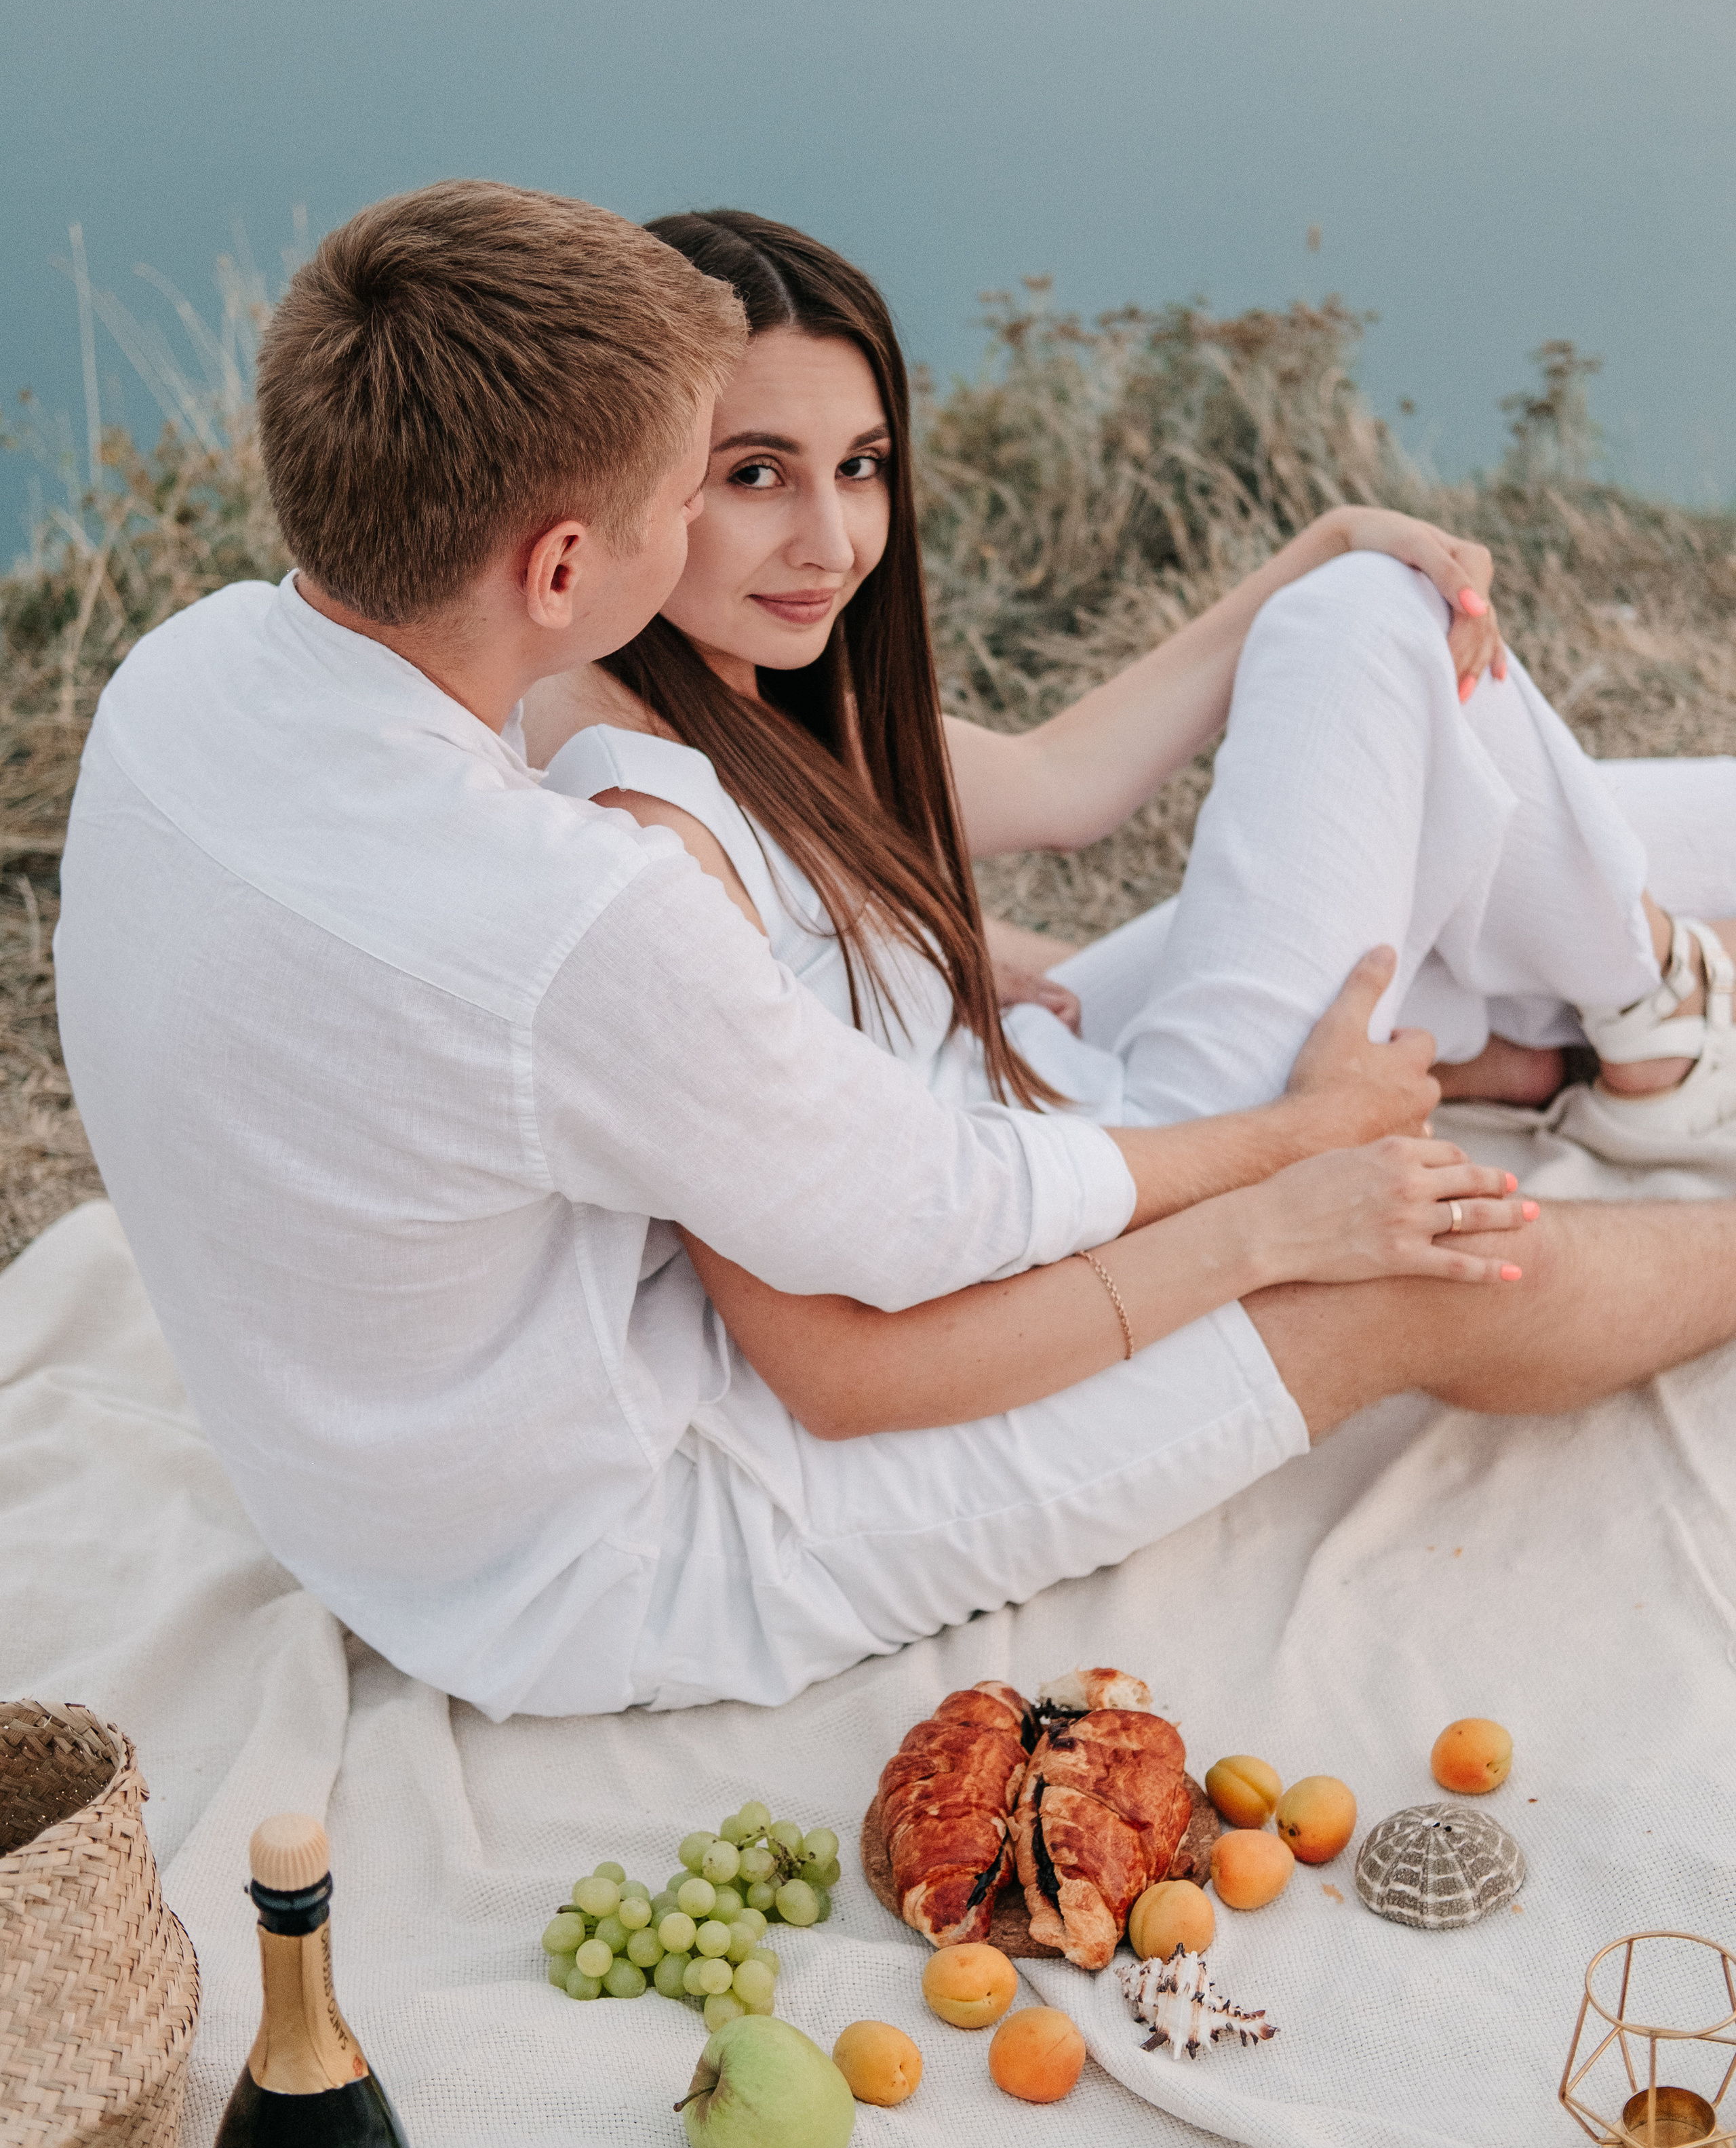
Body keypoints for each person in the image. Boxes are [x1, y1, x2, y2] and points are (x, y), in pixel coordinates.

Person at [54, 180, 1736, 1723]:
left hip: (428, 1471)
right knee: (1390, 1274)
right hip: (642, 1549)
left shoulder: (191, 678)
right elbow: (883, 1303)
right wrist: (1291, 1176)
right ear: (568, 563)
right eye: (698, 483)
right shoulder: (590, 896)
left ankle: (1616, 1013)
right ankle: (1636, 1039)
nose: (817, 536)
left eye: (848, 466)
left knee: (1415, 787)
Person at [524, 209, 1736, 1159]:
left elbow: (1063, 783)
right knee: (1370, 621)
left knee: (1458, 776)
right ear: (634, 465)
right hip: (1121, 1149)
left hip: (1038, 1081)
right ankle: (1660, 1028)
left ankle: (1592, 1018)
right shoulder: (609, 774)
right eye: (754, 475)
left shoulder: (718, 704)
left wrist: (1319, 539)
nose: (834, 541)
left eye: (859, 465)